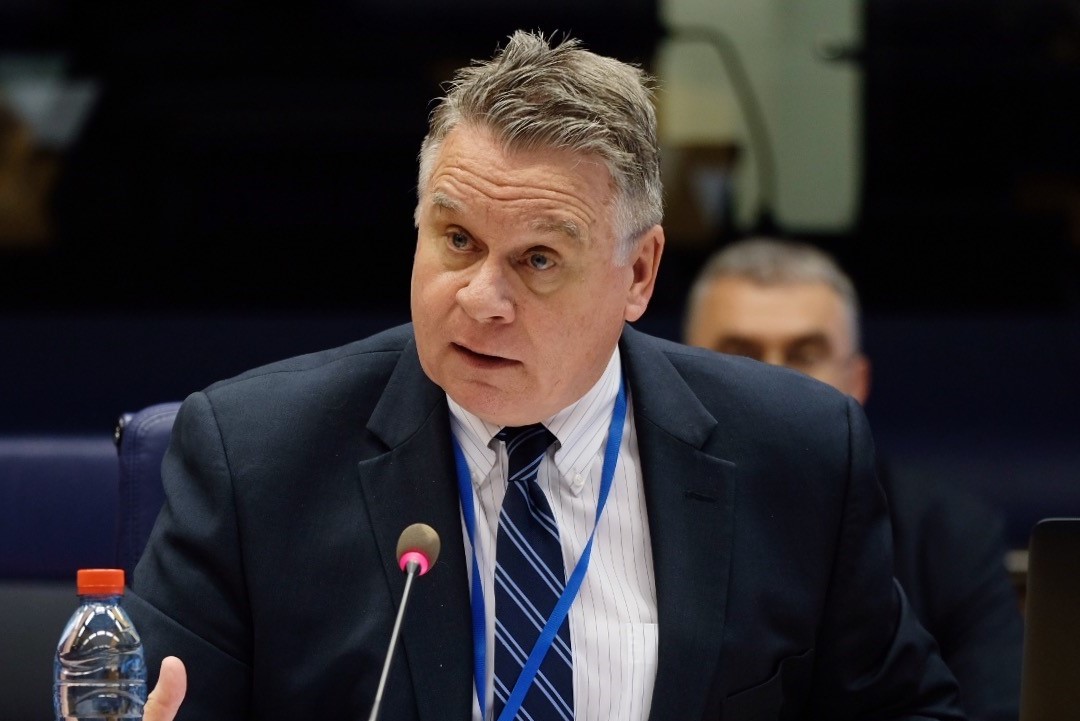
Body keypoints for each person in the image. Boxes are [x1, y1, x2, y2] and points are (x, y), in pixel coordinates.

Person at [131, 31, 964, 721]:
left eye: (537, 259)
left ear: (639, 273)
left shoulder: (796, 453)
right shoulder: (257, 459)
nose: (481, 299)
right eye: (457, 241)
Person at [684, 237, 1024, 721]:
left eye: (804, 354)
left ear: (857, 382)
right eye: (739, 353)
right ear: (677, 375)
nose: (770, 383)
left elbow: (996, 709)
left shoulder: (948, 532)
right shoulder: (626, 503)